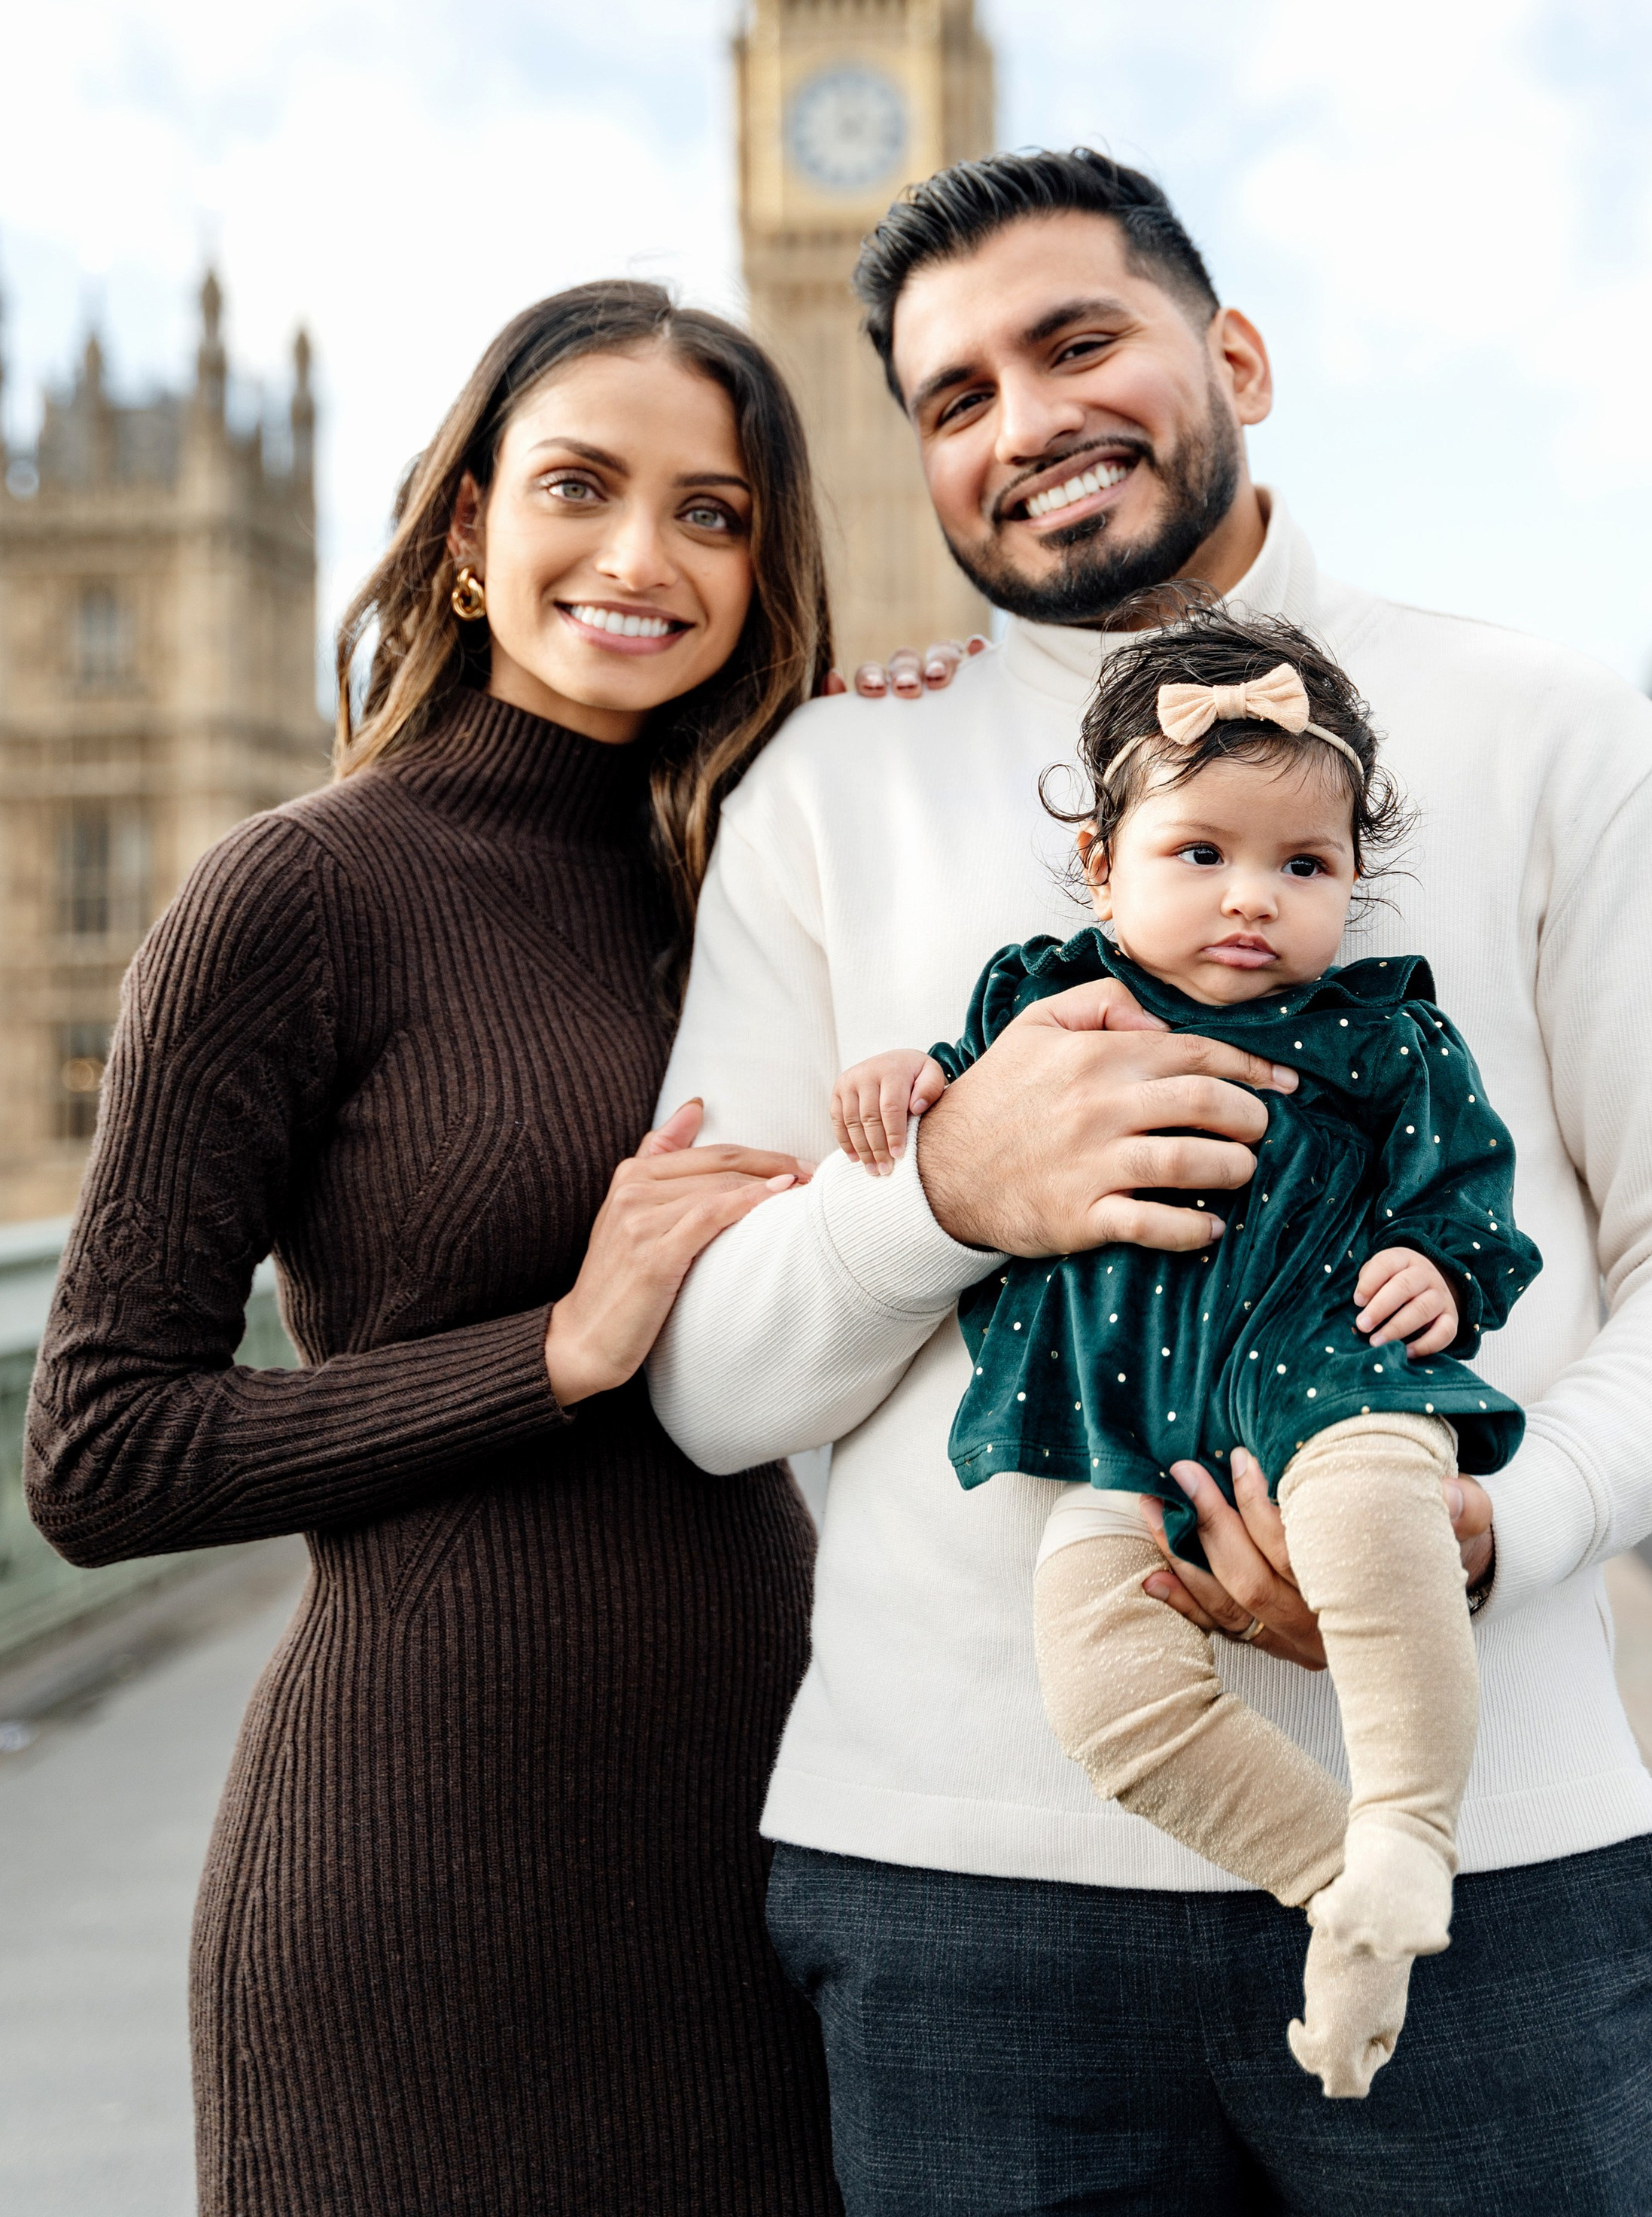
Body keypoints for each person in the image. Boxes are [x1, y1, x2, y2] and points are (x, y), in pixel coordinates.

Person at [648, 149, 1652, 2216]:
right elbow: (711, 1384)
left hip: (1495, 1880)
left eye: (1075, 341)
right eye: (954, 397)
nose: (1024, 421)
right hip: (961, 1903)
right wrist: (947, 1186)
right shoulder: (830, 786)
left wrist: (1503, 1526)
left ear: (1236, 356)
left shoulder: (1552, 729)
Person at [24, 278, 966, 2217]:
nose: (642, 555)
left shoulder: (761, 883)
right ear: (468, 530)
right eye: (578, 487)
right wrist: (554, 1345)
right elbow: (101, 1452)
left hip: (777, 1846)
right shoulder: (297, 890)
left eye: (711, 513)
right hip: (421, 1879)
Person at [832, 600, 1544, 2098]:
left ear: (1354, 880)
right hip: (1133, 1428)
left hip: (1331, 1374)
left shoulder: (1381, 1036)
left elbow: (1466, 1189)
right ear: (1100, 864)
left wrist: (1435, 1260)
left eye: (1303, 865)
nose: (1249, 899)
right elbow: (964, 1101)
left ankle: (1411, 1818)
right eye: (1196, 852)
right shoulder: (1050, 1000)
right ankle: (1338, 1879)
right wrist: (912, 1081)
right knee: (1098, 1679)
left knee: (1371, 1520)